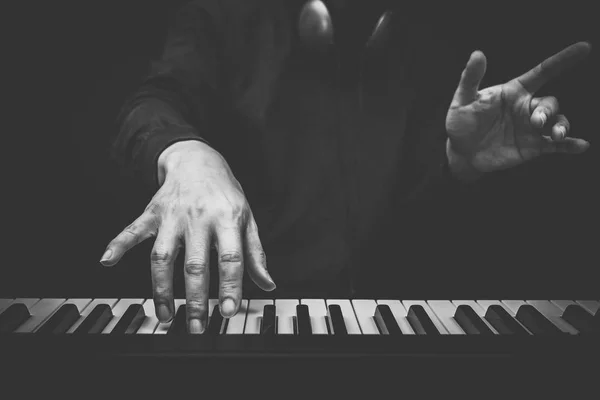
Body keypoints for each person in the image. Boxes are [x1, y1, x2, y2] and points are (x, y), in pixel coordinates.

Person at [99, 0, 591, 333]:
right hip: (244, 318)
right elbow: (154, 99)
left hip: (393, 319)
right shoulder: (226, 16)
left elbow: (418, 204)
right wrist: (187, 154)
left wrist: (456, 162)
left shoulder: (429, 35)